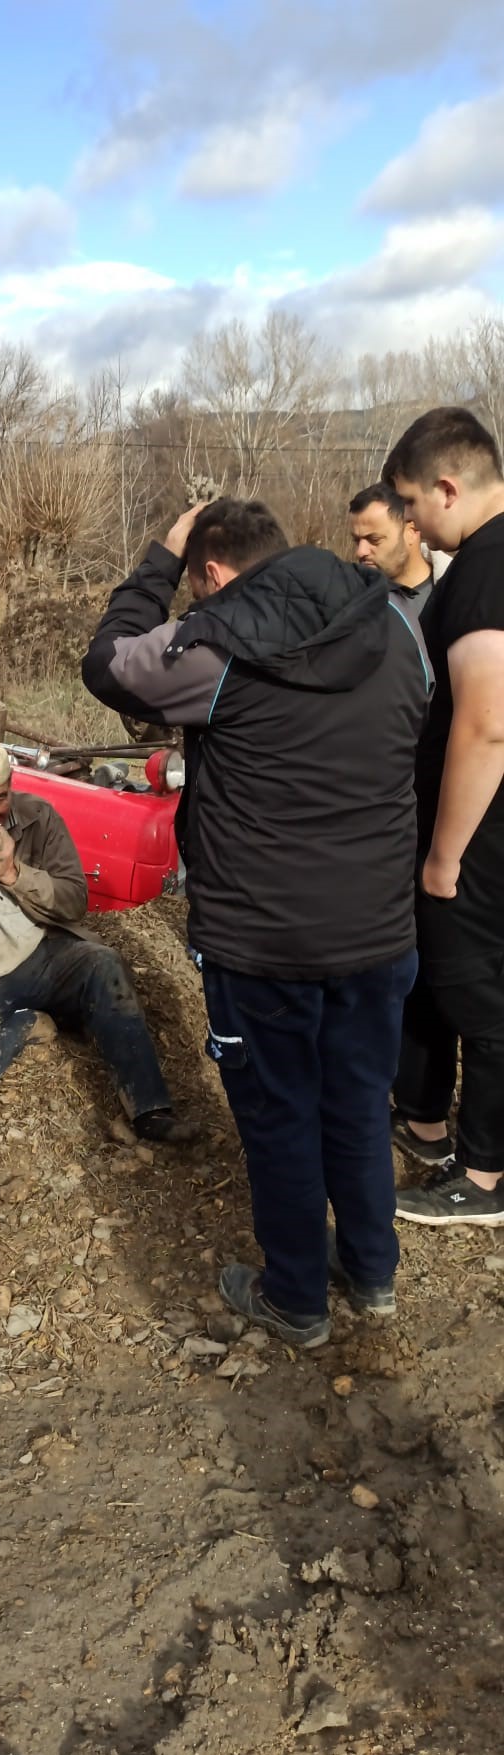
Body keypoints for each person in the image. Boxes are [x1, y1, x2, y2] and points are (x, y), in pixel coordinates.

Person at [82, 497, 431, 1346]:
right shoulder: (394, 620)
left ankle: (297, 1299)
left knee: (280, 1113)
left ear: (209, 570)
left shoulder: (215, 644)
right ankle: (372, 1274)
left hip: (264, 939)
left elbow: (107, 665)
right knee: (358, 1100)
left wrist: (158, 559)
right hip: (379, 928)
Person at [0, 734, 192, 1144]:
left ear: (11, 785)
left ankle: (150, 1109)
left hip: (40, 954)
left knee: (104, 964)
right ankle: (35, 1021)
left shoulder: (39, 817)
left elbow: (74, 902)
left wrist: (14, 873)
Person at [382, 406, 504, 1225]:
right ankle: (426, 1124)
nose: (413, 526)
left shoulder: (487, 569)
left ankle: (486, 1176)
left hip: (480, 836)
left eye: (413, 504)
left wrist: (444, 855)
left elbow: (487, 724)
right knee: (435, 977)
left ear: (448, 488)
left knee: (478, 996)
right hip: (468, 828)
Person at [348, 482, 434, 618]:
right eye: (357, 541)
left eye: (374, 539)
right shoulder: (350, 602)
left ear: (411, 532)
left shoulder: (456, 594)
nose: (360, 551)